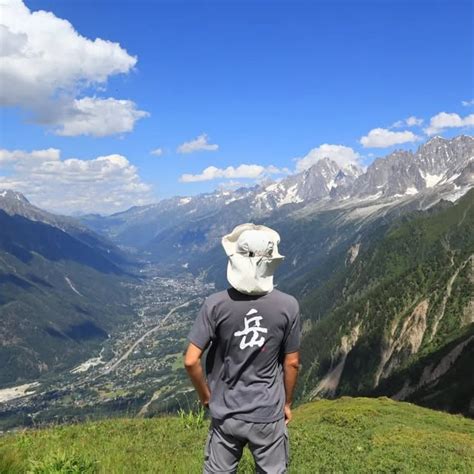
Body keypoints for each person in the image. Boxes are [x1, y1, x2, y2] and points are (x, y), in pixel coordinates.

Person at [184, 223, 301, 474]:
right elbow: (292, 363)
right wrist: (287, 403)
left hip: (226, 412)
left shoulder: (215, 305)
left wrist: (206, 398)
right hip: (268, 413)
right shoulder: (288, 306)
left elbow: (191, 360)